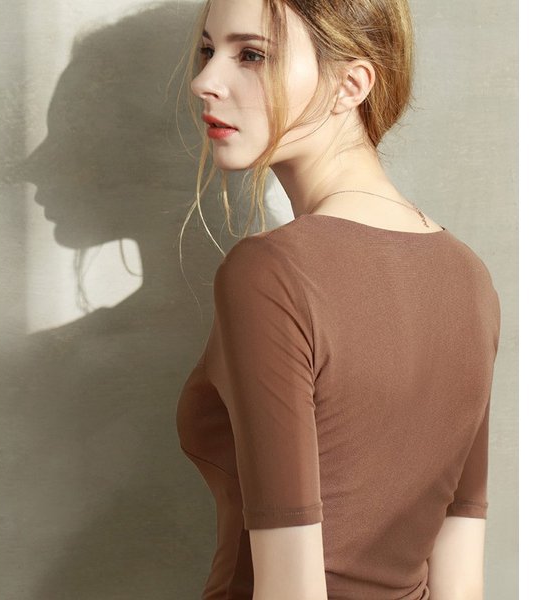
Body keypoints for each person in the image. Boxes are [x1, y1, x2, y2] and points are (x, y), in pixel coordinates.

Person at [176, 1, 501, 599]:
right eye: (208, 50)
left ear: (350, 85)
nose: (204, 81)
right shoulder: (469, 276)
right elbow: (460, 582)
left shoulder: (269, 273)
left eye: (252, 55)